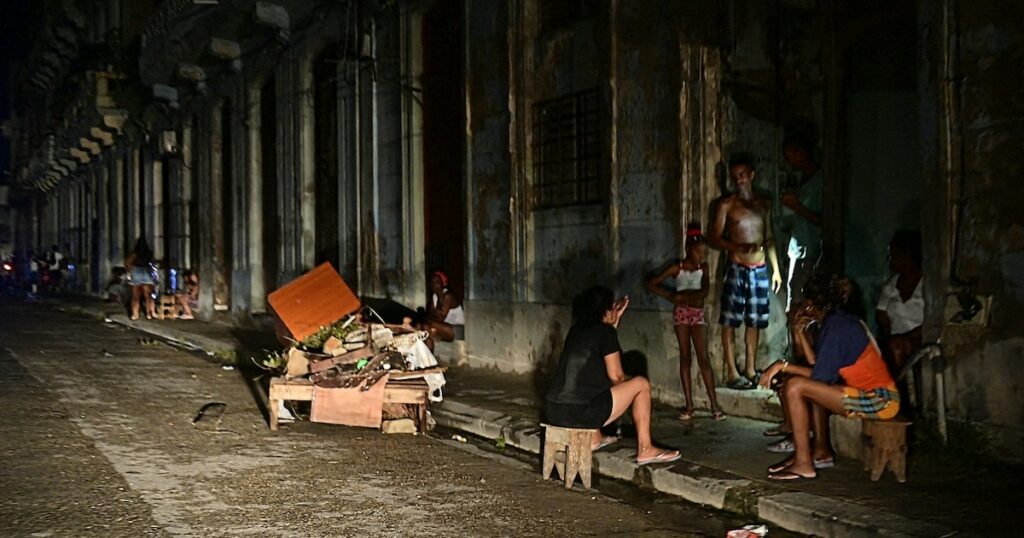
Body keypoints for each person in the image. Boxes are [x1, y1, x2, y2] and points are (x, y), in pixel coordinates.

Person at [758, 274, 900, 480]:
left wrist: (783, 365)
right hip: (868, 395)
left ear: (810, 304)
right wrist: (799, 331)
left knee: (795, 386)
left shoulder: (838, 326)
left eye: (805, 301)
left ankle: (803, 463)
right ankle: (815, 453)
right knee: (800, 384)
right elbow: (818, 365)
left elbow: (821, 375)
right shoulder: (834, 322)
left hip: (880, 400)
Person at [545, 286, 682, 465]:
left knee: (591, 389)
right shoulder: (605, 332)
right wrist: (632, 390)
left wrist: (613, 326)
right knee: (641, 384)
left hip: (554, 410)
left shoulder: (576, 330)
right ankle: (646, 448)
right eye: (612, 307)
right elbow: (616, 377)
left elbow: (592, 366)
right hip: (576, 414)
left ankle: (594, 439)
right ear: (606, 310)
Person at [708, 154, 782, 389]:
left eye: (742, 175)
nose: (738, 180)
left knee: (755, 321)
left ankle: (750, 368)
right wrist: (737, 246)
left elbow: (769, 238)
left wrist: (776, 270)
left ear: (751, 175)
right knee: (730, 319)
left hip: (759, 268)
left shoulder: (763, 204)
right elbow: (713, 237)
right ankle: (732, 371)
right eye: (734, 177)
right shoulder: (726, 205)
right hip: (736, 266)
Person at [646, 222, 724, 421]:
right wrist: (671, 295)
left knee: (703, 358)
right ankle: (689, 405)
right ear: (688, 249)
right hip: (681, 314)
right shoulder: (677, 268)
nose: (702, 256)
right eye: (698, 252)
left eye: (704, 252)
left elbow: (704, 292)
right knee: (685, 357)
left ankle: (714, 405)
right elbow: (652, 283)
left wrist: (681, 296)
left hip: (696, 315)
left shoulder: (703, 268)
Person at [876, 230, 924, 409]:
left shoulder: (926, 283)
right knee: (892, 348)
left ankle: (900, 404)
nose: (890, 260)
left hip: (920, 339)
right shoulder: (891, 285)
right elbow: (881, 318)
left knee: (896, 347)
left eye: (893, 255)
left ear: (907, 256)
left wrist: (906, 338)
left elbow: (935, 320)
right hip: (895, 342)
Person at [780, 135, 823, 312]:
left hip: (811, 251)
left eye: (790, 156)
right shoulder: (803, 178)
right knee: (793, 296)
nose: (788, 161)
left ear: (802, 153)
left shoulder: (820, 181)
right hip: (798, 249)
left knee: (802, 301)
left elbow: (825, 221)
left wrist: (796, 206)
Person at [421, 270, 464, 345]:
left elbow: (440, 318)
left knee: (427, 326)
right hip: (442, 327)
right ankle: (429, 354)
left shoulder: (448, 296)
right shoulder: (434, 297)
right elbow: (430, 315)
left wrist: (430, 319)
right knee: (426, 331)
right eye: (432, 282)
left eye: (437, 282)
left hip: (456, 329)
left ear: (443, 283)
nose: (434, 285)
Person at [125, 237, 157, 320]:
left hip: (136, 271)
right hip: (147, 272)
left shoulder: (135, 253)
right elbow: (153, 263)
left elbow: (128, 263)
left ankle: (135, 314)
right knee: (148, 296)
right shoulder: (149, 253)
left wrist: (130, 270)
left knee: (136, 296)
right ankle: (149, 314)